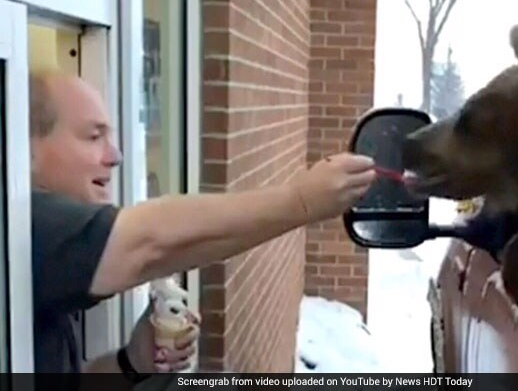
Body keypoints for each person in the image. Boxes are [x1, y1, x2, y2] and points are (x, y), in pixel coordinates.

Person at [29, 72, 376, 379]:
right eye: (93, 137)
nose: (116, 156)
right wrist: (300, 201)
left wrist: (132, 362)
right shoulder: (29, 227)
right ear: (25, 150)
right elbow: (149, 245)